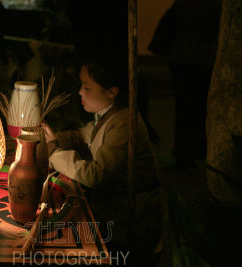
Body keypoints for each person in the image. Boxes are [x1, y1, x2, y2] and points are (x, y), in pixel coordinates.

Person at [41, 51, 162, 265]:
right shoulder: (110, 115)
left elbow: (95, 175)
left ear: (111, 92)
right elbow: (82, 134)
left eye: (87, 87)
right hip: (114, 210)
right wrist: (53, 137)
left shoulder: (124, 124)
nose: (80, 92)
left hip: (130, 219)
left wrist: (53, 150)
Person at [148, 0, 222, 168]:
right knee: (206, 108)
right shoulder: (218, 5)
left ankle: (185, 153)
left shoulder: (185, 4)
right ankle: (202, 150)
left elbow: (168, 26)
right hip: (207, 61)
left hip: (183, 61)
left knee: (185, 108)